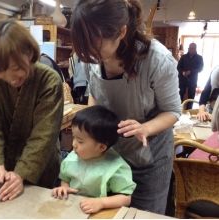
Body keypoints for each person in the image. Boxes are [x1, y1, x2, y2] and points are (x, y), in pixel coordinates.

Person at [70, 0, 181, 214]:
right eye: (83, 46)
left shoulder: (157, 60)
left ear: (122, 31)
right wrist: (93, 129)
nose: (88, 54)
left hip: (150, 156)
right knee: (106, 212)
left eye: (95, 45)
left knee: (143, 214)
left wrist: (145, 128)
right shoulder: (91, 58)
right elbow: (95, 93)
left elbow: (173, 111)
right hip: (109, 154)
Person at [0, 18, 64, 202]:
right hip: (1, 168)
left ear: (29, 52)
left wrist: (22, 174)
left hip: (39, 169)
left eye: (15, 68)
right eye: (1, 72)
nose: (11, 79)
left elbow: (43, 136)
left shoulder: (49, 81)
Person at [52, 105, 136, 214]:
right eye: (73, 137)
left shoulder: (115, 168)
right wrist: (64, 188)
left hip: (100, 212)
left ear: (101, 147)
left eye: (80, 141)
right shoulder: (73, 157)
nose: (73, 144)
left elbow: (125, 198)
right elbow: (66, 178)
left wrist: (101, 203)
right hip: (72, 208)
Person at [177, 43, 204, 110]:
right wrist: (182, 72)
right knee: (180, 94)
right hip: (182, 79)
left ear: (195, 49)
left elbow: (200, 68)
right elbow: (178, 67)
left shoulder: (199, 58)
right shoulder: (183, 57)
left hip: (193, 80)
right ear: (188, 48)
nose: (191, 49)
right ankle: (179, 109)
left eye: (192, 48)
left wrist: (191, 72)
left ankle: (189, 110)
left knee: (191, 96)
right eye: (190, 48)